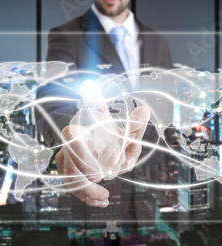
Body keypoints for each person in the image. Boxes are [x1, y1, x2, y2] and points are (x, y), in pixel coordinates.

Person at [36, 0, 173, 208]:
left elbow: (165, 110)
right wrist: (76, 139)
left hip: (149, 185)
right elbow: (53, 101)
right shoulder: (67, 35)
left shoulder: (158, 42)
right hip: (98, 183)